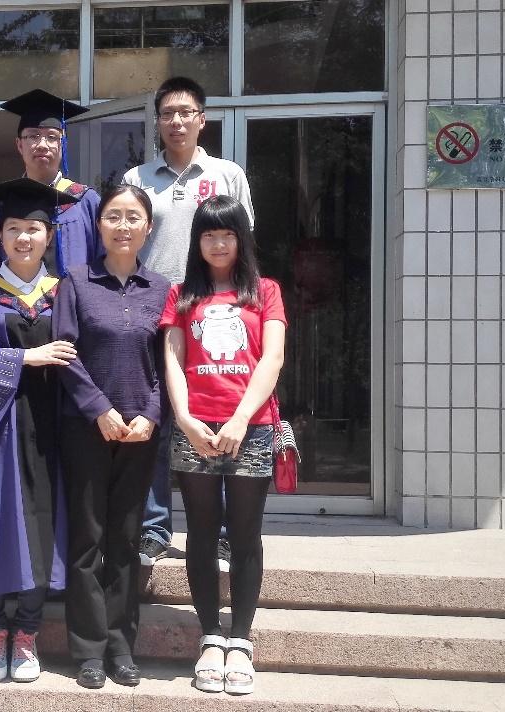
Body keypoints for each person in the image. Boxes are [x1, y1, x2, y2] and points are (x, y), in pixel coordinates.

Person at [123, 76, 255, 571]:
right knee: (156, 419)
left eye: (185, 112)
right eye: (167, 114)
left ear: (202, 118)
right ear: (157, 122)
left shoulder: (227, 175)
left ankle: (219, 532)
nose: (176, 121)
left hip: (212, 313)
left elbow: (244, 241)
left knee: (215, 415)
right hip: (151, 311)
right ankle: (155, 528)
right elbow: (125, 241)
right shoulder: (138, 178)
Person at [0, 177, 80, 684]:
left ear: (50, 235)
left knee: (42, 524)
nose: (23, 238)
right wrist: (26, 357)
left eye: (33, 228)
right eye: (13, 229)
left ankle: (26, 631)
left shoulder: (67, 293)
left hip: (50, 427)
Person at [159, 195, 285, 696]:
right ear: (197, 241)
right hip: (196, 428)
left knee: (246, 536)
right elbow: (173, 359)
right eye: (208, 235)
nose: (217, 243)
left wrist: (239, 419)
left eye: (227, 234)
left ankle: (241, 640)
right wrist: (185, 419)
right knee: (202, 533)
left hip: (250, 427)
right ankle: (211, 636)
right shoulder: (181, 294)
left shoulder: (265, 291)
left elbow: (272, 359)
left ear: (241, 238)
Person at [52, 185, 171, 689]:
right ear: (99, 225)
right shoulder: (75, 283)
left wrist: (151, 415)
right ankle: (88, 651)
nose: (123, 226)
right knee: (87, 539)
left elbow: (171, 364)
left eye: (133, 217)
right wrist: (98, 408)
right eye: (113, 217)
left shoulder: (162, 289)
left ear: (148, 227)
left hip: (141, 434)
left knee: (125, 540)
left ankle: (122, 648)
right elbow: (64, 353)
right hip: (85, 430)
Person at [0, 88, 102, 275]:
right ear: (19, 145)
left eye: (52, 137)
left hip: (75, 294)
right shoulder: (0, 204)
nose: (42, 145)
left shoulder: (85, 201)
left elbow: (102, 262)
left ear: (63, 144)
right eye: (33, 136)